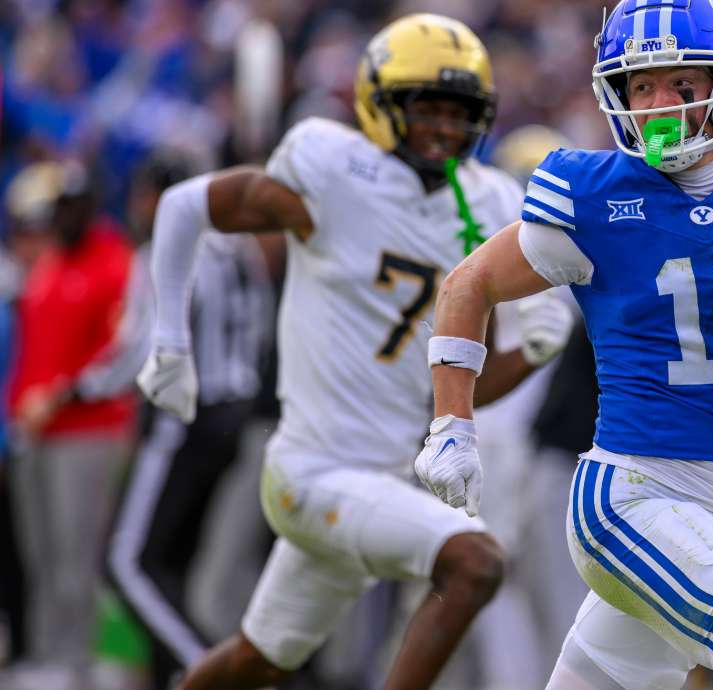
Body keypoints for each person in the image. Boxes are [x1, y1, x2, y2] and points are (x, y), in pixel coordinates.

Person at [415, 2, 713, 689]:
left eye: (680, 84)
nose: (658, 105)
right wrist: (451, 424)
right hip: (630, 499)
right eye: (641, 86)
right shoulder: (592, 195)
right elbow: (468, 284)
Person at [135, 14, 573, 690]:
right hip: (314, 470)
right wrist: (168, 340)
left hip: (385, 479)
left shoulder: (488, 200)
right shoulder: (332, 167)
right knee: (476, 563)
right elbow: (187, 205)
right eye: (426, 108)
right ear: (380, 102)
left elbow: (459, 385)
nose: (444, 129)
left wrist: (535, 351)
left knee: (259, 660)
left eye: (461, 114)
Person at [100, 151, 275, 690]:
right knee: (173, 562)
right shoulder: (239, 250)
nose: (137, 206)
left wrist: (70, 392)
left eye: (144, 195)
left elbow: (139, 350)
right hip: (230, 418)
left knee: (127, 565)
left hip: (179, 419)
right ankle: (173, 673)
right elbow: (263, 328)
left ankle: (209, 669)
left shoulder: (166, 249)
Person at [5, 159, 136, 690]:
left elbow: (119, 356)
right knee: (38, 550)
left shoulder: (115, 263)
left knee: (74, 550)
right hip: (33, 432)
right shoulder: (50, 264)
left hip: (89, 430)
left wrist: (59, 396)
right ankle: (45, 651)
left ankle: (73, 658)